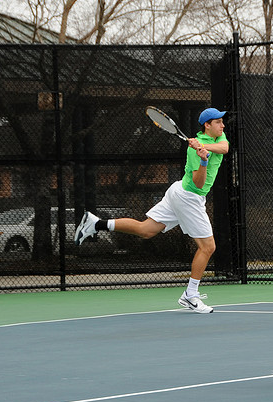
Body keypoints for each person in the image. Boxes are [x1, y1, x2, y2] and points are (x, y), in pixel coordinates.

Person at [74, 107, 229, 314]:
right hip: (188, 196)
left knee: (145, 230)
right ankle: (191, 295)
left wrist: (205, 146)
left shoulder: (217, 137)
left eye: (222, 121)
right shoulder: (194, 150)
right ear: (207, 125)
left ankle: (96, 223)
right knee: (208, 247)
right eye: (218, 122)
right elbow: (199, 184)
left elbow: (225, 147)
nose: (223, 125)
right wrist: (202, 159)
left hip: (178, 191)